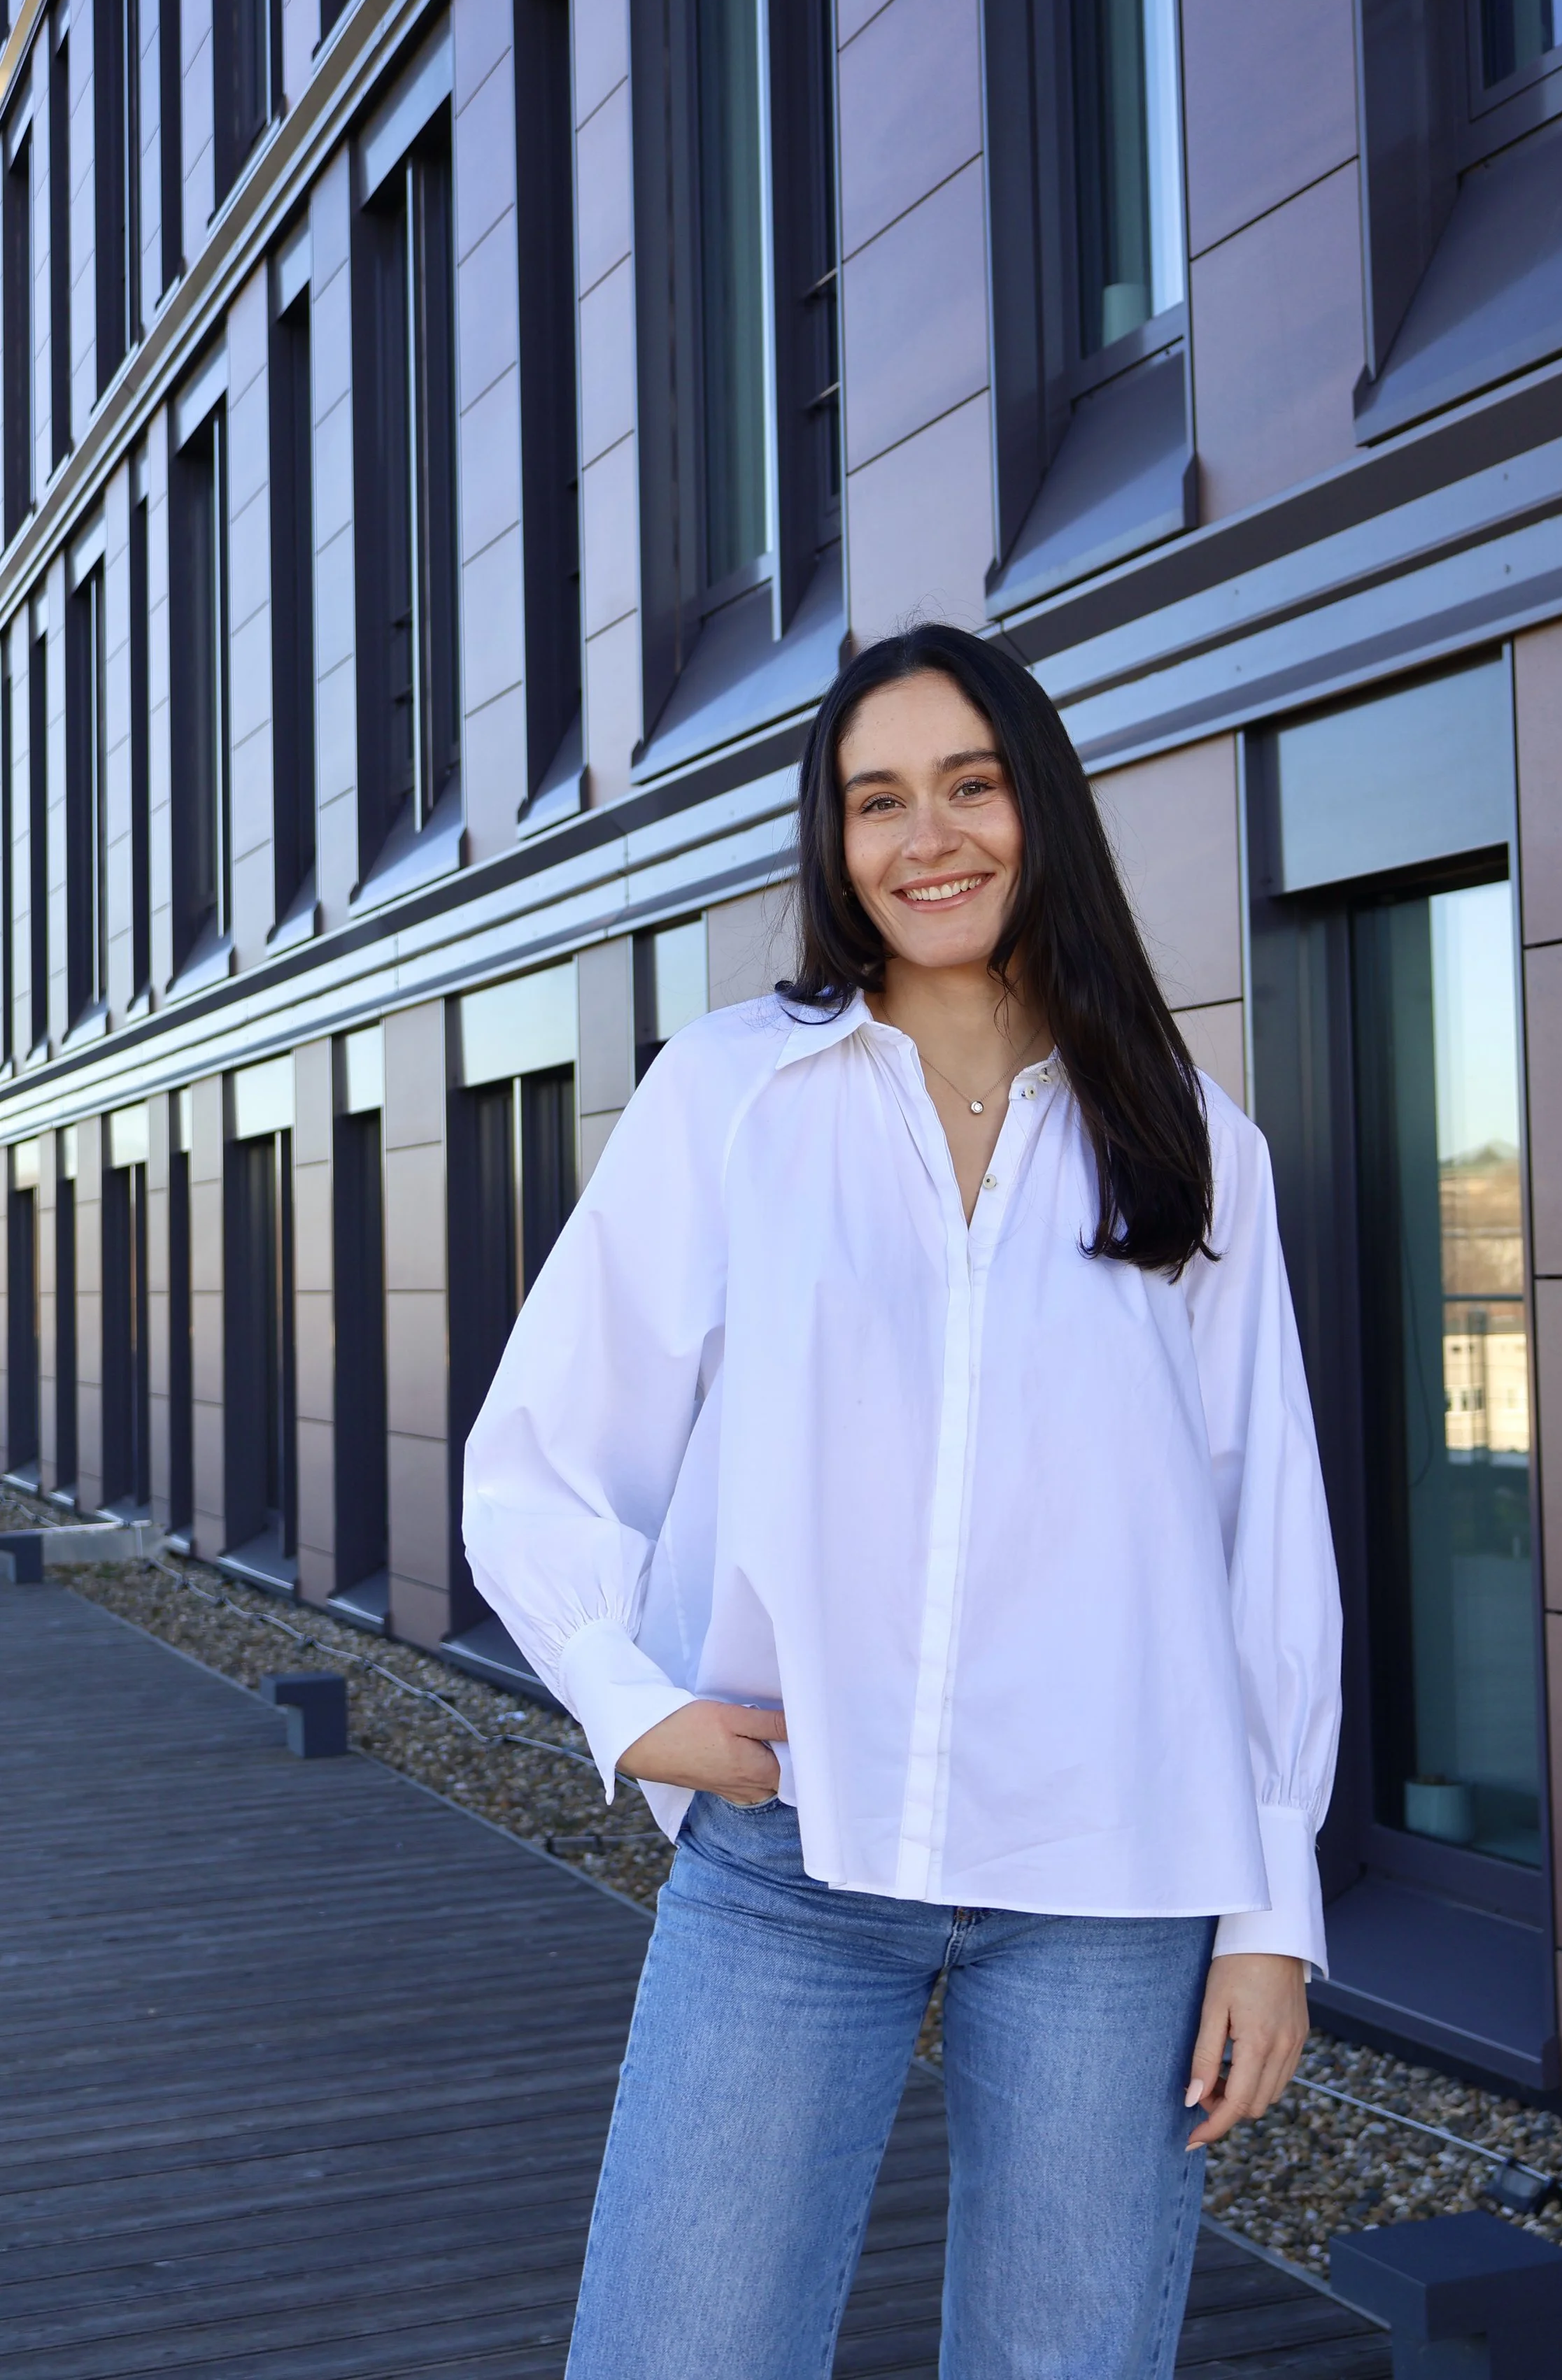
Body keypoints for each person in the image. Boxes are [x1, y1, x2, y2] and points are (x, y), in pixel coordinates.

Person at [462, 623, 1342, 2379]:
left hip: (1113, 1883)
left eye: (968, 786)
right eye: (876, 801)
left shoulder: (1185, 1138)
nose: (925, 839)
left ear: (1039, 808)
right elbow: (545, 1442)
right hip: (790, 1856)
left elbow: (1262, 1546)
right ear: (833, 839)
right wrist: (626, 1699)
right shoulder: (733, 1094)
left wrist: (1268, 1921)